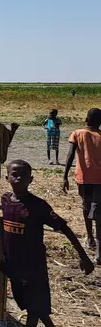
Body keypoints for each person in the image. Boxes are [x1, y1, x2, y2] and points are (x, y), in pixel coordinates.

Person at [0, 160, 95, 327]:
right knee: (33, 303)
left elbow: (65, 228)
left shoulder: (38, 206)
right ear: (7, 178)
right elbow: (10, 222)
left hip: (33, 265)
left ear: (31, 179)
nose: (19, 178)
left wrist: (83, 257)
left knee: (33, 306)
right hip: (13, 264)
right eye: (15, 174)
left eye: (24, 175)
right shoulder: (6, 200)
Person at [63, 108, 101, 255]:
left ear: (86, 119)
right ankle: (97, 247)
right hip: (99, 180)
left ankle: (90, 238)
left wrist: (65, 176)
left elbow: (70, 155)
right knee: (98, 211)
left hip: (84, 178)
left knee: (86, 206)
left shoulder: (77, 133)